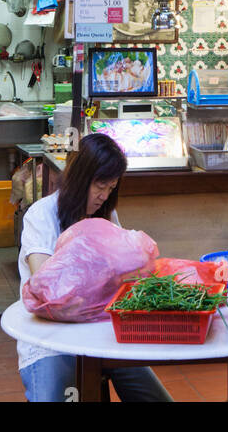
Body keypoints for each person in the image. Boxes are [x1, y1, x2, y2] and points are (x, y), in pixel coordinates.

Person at [17, 133, 173, 402]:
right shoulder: (41, 215)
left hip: (103, 331)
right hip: (50, 337)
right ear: (80, 178)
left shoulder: (105, 215)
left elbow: (125, 269)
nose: (104, 196)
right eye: (100, 186)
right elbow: (45, 287)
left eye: (111, 188)